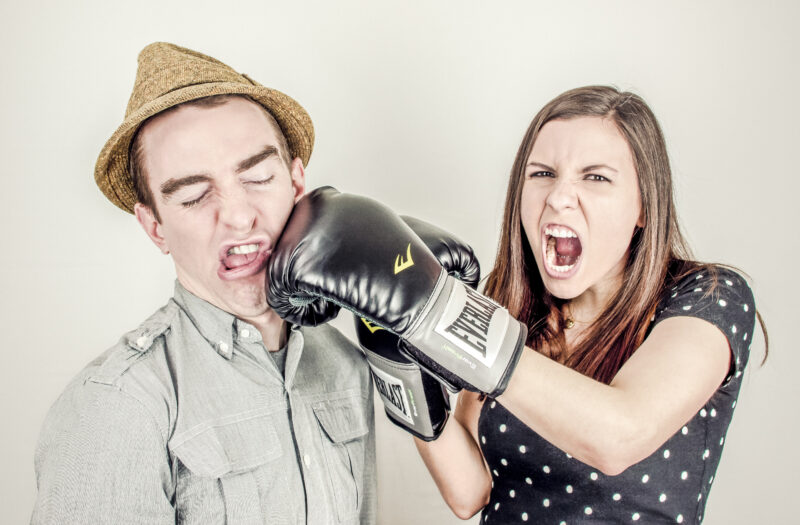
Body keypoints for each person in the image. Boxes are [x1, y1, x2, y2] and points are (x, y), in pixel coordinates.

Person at [265, 85, 766, 525]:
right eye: (542, 173)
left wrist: (439, 314)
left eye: (596, 177)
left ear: (643, 207)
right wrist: (392, 347)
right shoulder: (509, 306)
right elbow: (470, 492)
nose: (558, 197)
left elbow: (620, 436)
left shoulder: (707, 297)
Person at [31, 42, 375, 525]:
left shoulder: (345, 366)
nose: (237, 216)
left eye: (257, 177)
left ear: (297, 185)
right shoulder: (115, 408)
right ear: (155, 228)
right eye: (193, 196)